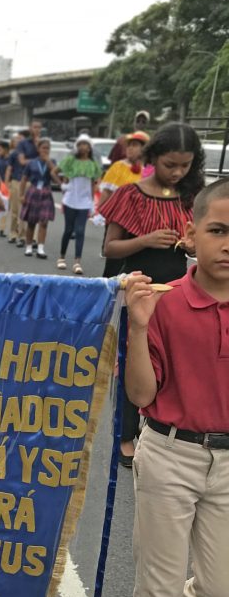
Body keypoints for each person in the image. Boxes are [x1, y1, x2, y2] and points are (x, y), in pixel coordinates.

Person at [121, 178, 229, 597]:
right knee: (158, 586)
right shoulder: (163, 303)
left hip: (228, 464)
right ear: (191, 234)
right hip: (169, 452)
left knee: (218, 586)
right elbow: (140, 395)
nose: (228, 244)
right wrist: (137, 327)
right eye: (218, 230)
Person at [100, 122, 204, 465]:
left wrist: (192, 245)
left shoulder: (191, 198)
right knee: (134, 362)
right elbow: (110, 249)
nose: (177, 172)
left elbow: (208, 246)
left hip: (179, 293)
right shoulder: (130, 194)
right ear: (154, 158)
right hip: (139, 289)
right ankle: (125, 435)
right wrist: (144, 240)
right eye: (169, 164)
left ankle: (160, 428)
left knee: (174, 363)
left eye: (184, 166)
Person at [55, 135, 102, 274]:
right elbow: (54, 171)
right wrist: (62, 185)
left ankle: (77, 262)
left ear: (89, 147)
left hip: (84, 202)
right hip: (70, 200)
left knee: (80, 231)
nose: (82, 147)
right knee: (68, 230)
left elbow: (96, 181)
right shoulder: (71, 160)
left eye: (85, 144)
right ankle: (61, 257)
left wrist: (93, 202)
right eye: (80, 144)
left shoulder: (93, 164)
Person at [18, 138, 61, 259]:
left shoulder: (52, 162)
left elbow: (55, 177)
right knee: (31, 222)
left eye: (48, 148)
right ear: (38, 149)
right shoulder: (31, 163)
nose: (45, 150)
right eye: (43, 148)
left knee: (44, 222)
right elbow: (24, 179)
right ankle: (28, 247)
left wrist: (49, 163)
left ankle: (41, 248)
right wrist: (21, 195)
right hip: (33, 191)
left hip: (46, 192)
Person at [97, 131, 149, 208]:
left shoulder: (147, 172)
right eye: (128, 145)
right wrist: (99, 210)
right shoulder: (118, 166)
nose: (130, 148)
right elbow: (106, 192)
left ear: (143, 149)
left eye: (134, 145)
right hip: (114, 212)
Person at [4, 131, 28, 246]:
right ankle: (13, 233)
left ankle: (23, 236)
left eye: (21, 139)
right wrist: (6, 183)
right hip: (15, 182)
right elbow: (9, 169)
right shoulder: (13, 154)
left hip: (27, 183)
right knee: (14, 210)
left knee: (24, 211)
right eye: (17, 139)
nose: (19, 140)